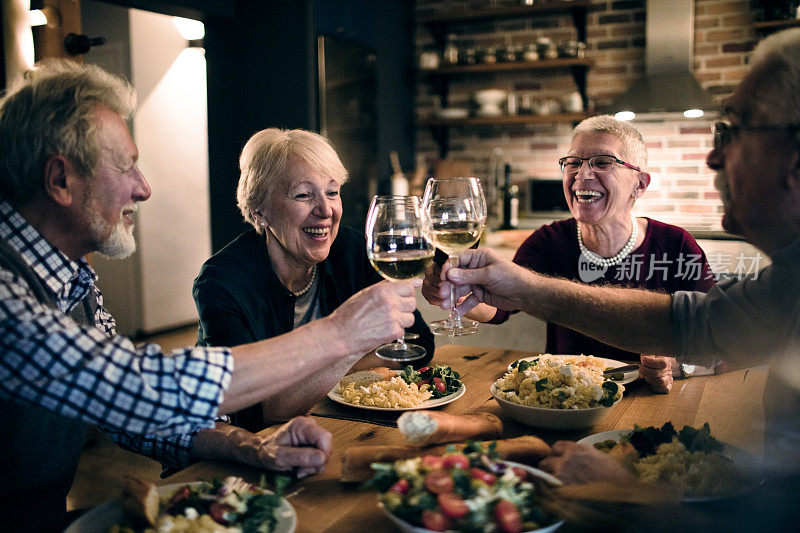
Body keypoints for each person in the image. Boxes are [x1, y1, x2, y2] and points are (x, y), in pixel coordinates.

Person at [0, 60, 418, 532]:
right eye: (127, 166)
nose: (144, 188)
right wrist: (341, 334)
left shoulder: (72, 281)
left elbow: (135, 416)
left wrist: (250, 445)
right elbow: (140, 384)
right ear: (60, 180)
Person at [437, 28, 800, 501]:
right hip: (563, 418)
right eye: (573, 162)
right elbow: (703, 322)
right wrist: (492, 290)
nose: (713, 155)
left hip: (650, 416)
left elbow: (707, 345)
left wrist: (641, 502)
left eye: (733, 129)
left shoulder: (677, 244)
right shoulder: (787, 285)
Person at [422, 116, 715, 392]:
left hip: (649, 400)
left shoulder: (676, 245)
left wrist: (680, 366)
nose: (582, 174)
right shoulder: (549, 241)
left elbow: (721, 339)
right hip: (568, 401)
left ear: (639, 184)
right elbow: (498, 309)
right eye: (572, 162)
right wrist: (456, 293)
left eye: (602, 162)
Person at [192, 128, 434, 430]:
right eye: (303, 195)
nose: (325, 210)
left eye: (332, 192)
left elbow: (418, 344)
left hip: (332, 425)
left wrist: (317, 378)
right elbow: (256, 413)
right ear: (259, 213)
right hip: (237, 454)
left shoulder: (351, 248)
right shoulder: (220, 283)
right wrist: (357, 341)